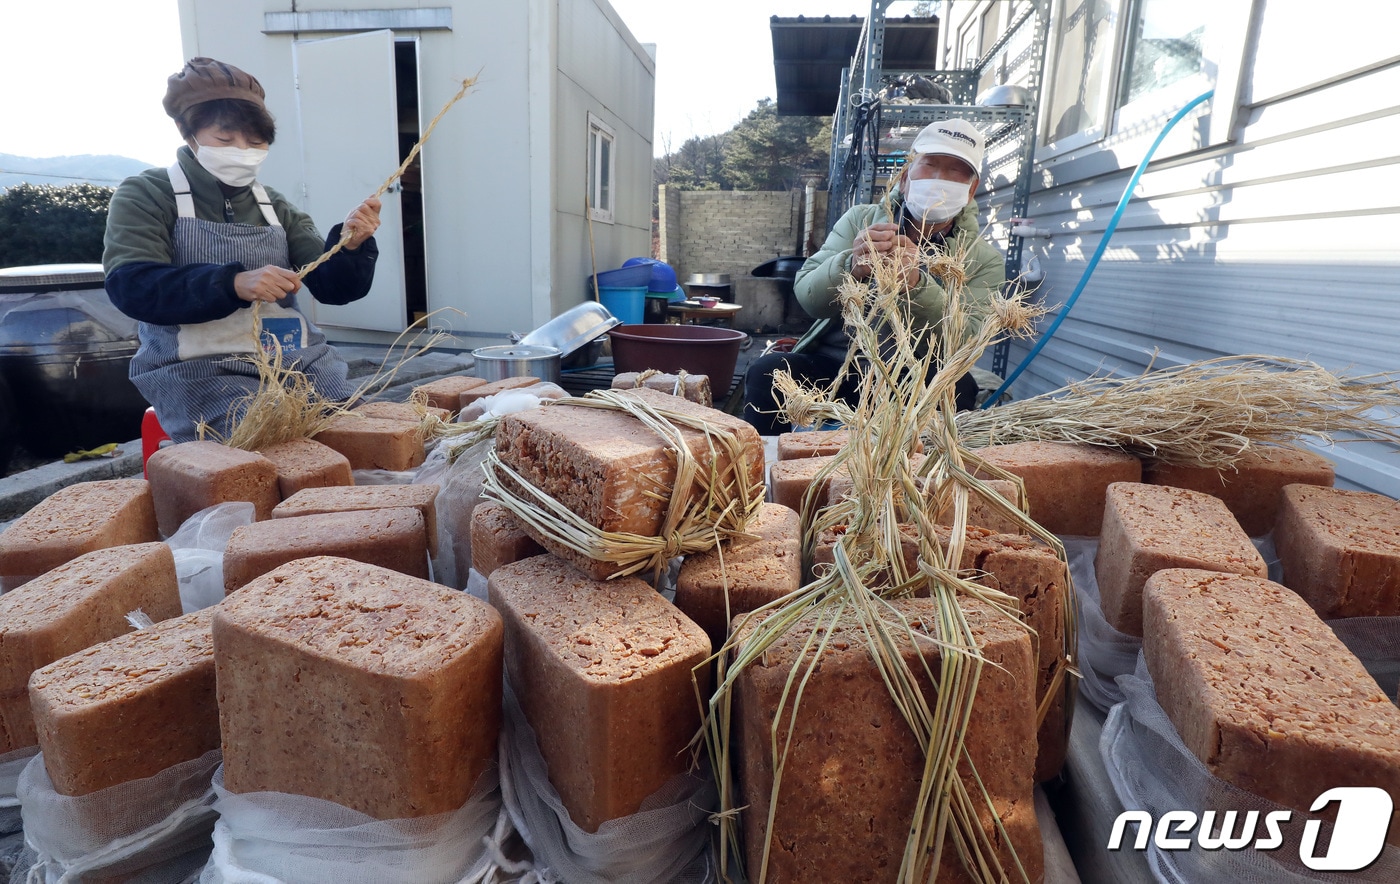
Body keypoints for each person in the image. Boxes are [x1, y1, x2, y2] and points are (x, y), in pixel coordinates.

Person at [103, 57, 382, 443]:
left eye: (255, 142)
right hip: (199, 368)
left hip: (297, 362)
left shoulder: (274, 205)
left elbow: (332, 287)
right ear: (189, 134)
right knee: (266, 446)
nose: (242, 150)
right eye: (225, 139)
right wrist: (232, 283)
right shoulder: (149, 193)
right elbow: (132, 285)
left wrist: (350, 247)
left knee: (358, 438)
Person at [743, 118, 1006, 435]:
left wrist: (918, 287)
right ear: (906, 176)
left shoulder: (982, 258)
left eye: (956, 172)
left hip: (912, 374)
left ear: (971, 189)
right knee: (767, 373)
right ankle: (768, 469)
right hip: (837, 365)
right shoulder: (861, 220)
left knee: (957, 390)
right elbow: (808, 296)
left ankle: (918, 479)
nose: (939, 180)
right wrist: (850, 266)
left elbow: (964, 342)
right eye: (930, 165)